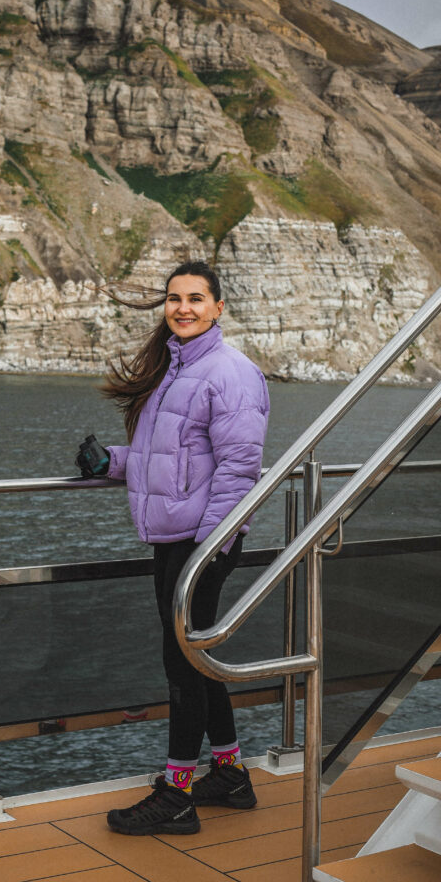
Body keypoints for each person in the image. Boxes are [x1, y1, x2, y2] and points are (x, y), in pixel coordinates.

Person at [76, 260, 270, 835]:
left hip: (203, 541)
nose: (182, 307)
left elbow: (239, 469)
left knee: (180, 663)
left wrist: (207, 549)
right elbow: (167, 458)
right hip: (175, 536)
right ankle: (232, 776)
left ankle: (177, 794)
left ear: (218, 307)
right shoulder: (174, 370)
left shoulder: (230, 373)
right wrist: (109, 462)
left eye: (195, 298)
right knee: (196, 659)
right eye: (173, 298)